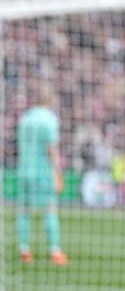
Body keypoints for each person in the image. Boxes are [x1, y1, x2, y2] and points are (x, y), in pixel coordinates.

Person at [15, 93, 69, 266]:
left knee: (24, 211)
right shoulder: (49, 119)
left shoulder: (25, 118)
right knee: (50, 210)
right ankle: (55, 250)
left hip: (24, 170)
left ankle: (23, 249)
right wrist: (58, 171)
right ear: (49, 101)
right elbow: (50, 148)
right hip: (42, 172)